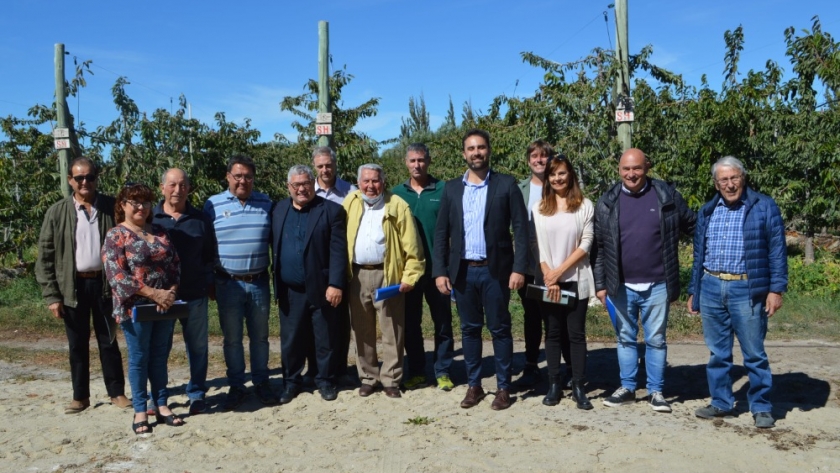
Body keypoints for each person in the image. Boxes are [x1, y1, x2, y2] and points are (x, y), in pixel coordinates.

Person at [688, 156, 787, 429]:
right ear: (716, 183)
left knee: (754, 353)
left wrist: (776, 289)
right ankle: (720, 402)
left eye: (734, 178)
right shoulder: (708, 210)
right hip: (711, 286)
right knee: (718, 353)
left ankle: (761, 406)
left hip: (748, 288)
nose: (730, 184)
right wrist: (694, 289)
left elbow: (777, 251)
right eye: (724, 179)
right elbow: (699, 255)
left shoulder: (764, 207)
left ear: (743, 178)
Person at [593, 148, 695, 413]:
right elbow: (601, 248)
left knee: (656, 339)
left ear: (647, 167)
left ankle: (656, 391)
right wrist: (600, 284)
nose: (631, 174)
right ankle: (627, 387)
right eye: (626, 169)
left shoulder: (667, 196)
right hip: (620, 285)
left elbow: (694, 226)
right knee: (625, 338)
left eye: (636, 168)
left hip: (658, 283)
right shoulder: (607, 202)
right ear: (619, 170)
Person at [433, 129, 529, 410]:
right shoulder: (451, 188)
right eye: (471, 148)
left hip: (495, 271)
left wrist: (519, 267)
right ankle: (474, 385)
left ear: (489, 151)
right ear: (464, 154)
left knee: (500, 329)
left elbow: (521, 230)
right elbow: (442, 234)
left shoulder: (506, 185)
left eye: (481, 147)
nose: (476, 153)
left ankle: (503, 388)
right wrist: (441, 271)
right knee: (470, 330)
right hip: (462, 272)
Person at [35, 156, 131, 414]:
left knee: (109, 341)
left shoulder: (113, 207)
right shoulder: (57, 212)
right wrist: (52, 296)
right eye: (79, 178)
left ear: (96, 178)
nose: (85, 182)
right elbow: (44, 256)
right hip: (72, 288)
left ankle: (116, 392)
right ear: (70, 180)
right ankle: (80, 396)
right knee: (77, 344)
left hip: (105, 286)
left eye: (89, 176)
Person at [102, 183, 182, 435]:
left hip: (163, 307)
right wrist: (153, 293)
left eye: (145, 202)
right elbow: (117, 275)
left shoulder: (160, 231)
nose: (141, 207)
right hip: (134, 309)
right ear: (122, 205)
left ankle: (161, 404)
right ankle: (139, 410)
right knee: (139, 359)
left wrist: (169, 293)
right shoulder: (116, 235)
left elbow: (175, 264)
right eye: (134, 202)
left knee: (160, 357)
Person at [343, 163, 424, 399]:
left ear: (383, 182)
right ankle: (368, 377)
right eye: (366, 181)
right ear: (359, 183)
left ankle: (391, 379)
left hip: (388, 275)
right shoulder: (350, 202)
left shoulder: (397, 205)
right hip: (357, 275)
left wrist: (410, 277)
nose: (371, 186)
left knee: (392, 330)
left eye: (375, 180)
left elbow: (413, 247)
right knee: (361, 330)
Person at [204, 154, 278, 410]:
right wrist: (209, 281)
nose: (243, 181)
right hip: (227, 284)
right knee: (232, 339)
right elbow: (207, 245)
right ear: (228, 177)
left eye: (248, 176)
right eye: (238, 176)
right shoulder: (212, 205)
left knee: (260, 338)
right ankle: (236, 385)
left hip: (258, 282)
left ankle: (261, 382)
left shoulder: (266, 203)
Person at [271, 165, 348, 404]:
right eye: (296, 185)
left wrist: (336, 283)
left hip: (322, 287)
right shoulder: (279, 209)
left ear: (313, 182)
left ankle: (325, 380)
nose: (301, 189)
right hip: (290, 290)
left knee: (324, 338)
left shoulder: (331, 211)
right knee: (292, 340)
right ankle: (291, 382)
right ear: (289, 187)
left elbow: (338, 251)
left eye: (305, 183)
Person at [532, 156, 595, 410]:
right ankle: (554, 384)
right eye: (552, 174)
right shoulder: (539, 208)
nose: (557, 179)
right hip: (550, 281)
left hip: (575, 279)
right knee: (553, 333)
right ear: (547, 178)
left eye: (562, 173)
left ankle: (579, 386)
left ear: (570, 175)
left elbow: (586, 243)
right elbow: (538, 245)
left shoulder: (584, 206)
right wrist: (550, 275)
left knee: (576, 335)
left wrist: (560, 271)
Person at [152, 168, 216, 415]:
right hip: (162, 298)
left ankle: (197, 394)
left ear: (189, 188)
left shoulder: (200, 219)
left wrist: (210, 284)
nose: (177, 190)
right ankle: (158, 397)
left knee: (198, 348)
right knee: (160, 349)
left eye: (182, 185)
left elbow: (209, 255)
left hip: (195, 293)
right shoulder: (151, 219)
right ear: (162, 188)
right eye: (172, 185)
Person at [390, 143, 455, 391]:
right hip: (408, 273)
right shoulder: (396, 193)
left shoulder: (444, 189)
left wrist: (446, 268)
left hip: (439, 271)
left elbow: (452, 230)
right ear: (405, 163)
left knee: (443, 324)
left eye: (421, 160)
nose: (417, 165)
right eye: (412, 160)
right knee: (410, 324)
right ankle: (417, 371)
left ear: (428, 161)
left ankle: (443, 371)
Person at [312, 146, 357, 381]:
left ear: (335, 164)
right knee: (317, 320)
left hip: (343, 263)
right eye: (320, 166)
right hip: (316, 264)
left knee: (341, 322)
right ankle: (317, 369)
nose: (325, 169)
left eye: (328, 164)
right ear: (314, 167)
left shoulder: (351, 191)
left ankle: (340, 367)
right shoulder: (308, 191)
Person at [514, 140, 551, 388]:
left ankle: (559, 366)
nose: (539, 160)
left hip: (554, 266)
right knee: (531, 316)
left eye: (543, 156)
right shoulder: (519, 189)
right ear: (528, 160)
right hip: (527, 266)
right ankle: (531, 363)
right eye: (534, 156)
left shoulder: (560, 184)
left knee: (554, 315)